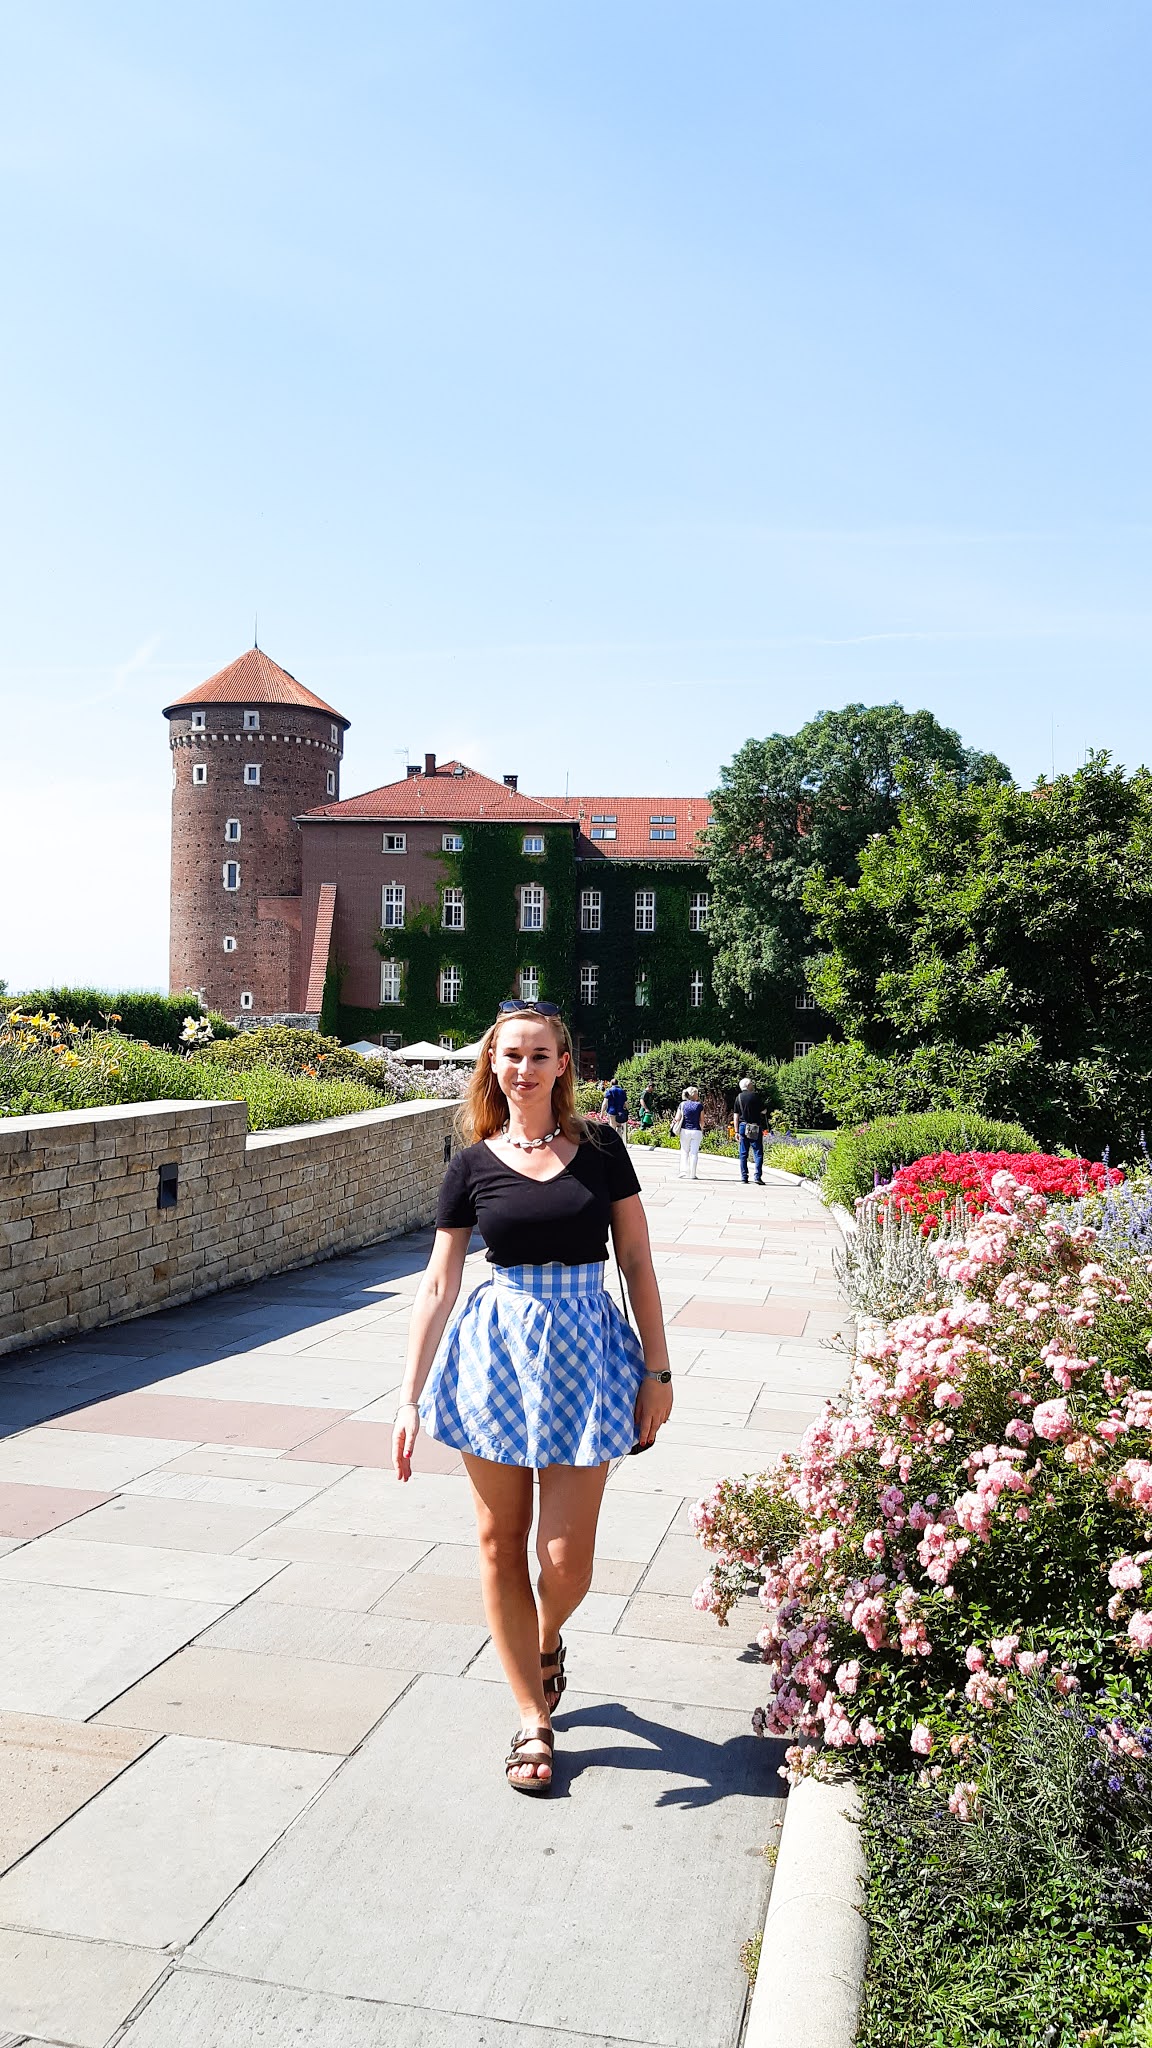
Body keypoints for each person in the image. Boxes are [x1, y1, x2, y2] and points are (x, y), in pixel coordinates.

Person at [391, 1001, 673, 1796]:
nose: (523, 1068)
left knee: (565, 1561)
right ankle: (531, 1718)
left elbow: (639, 1264)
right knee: (497, 1543)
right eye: (509, 1055)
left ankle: (544, 1638)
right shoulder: (470, 1164)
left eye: (539, 1054)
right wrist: (408, 1398)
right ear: (492, 1066)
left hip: (588, 1352)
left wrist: (658, 1371)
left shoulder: (602, 1150)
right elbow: (440, 1282)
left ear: (561, 1066)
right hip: (496, 1357)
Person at [735, 1074, 767, 1186]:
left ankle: (744, 1177)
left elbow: (736, 1115)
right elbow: (764, 1111)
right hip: (754, 1126)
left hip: (743, 1126)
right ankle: (757, 1176)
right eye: (752, 1084)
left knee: (743, 1152)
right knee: (758, 1152)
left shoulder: (738, 1097)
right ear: (748, 1085)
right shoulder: (755, 1096)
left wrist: (736, 1131)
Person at [671, 1085, 703, 1179]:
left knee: (684, 1151)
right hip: (696, 1130)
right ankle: (693, 1174)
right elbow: (702, 1121)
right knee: (694, 1152)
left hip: (685, 1130)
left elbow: (677, 1118)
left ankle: (683, 1172)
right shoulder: (699, 1106)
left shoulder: (682, 1104)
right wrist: (702, 1129)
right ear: (695, 1095)